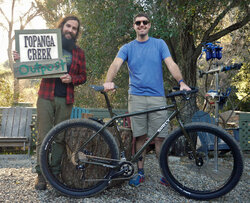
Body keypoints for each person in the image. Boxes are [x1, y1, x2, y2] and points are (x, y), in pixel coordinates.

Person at [103, 13, 190, 187]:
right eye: (138, 23)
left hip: (158, 97)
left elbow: (171, 63)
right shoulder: (127, 47)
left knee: (160, 138)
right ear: (134, 26)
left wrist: (181, 82)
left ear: (149, 25)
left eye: (145, 22)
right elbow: (115, 64)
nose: (141, 25)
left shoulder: (159, 44)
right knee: (140, 137)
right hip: (136, 97)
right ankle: (140, 173)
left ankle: (166, 176)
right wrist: (108, 81)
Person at [13, 15, 87, 190]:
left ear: (77, 32)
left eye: (74, 28)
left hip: (66, 99)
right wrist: (19, 58)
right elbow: (29, 62)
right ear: (62, 27)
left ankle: (54, 173)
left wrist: (72, 78)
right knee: (43, 137)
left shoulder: (79, 53)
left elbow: (83, 76)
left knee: (60, 138)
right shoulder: (47, 44)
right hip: (45, 97)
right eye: (68, 26)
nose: (70, 30)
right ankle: (41, 175)